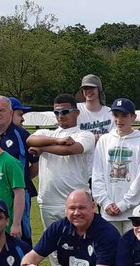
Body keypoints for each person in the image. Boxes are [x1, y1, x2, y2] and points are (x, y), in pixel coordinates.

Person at [27, 94, 95, 230]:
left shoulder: (85, 135)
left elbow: (70, 150)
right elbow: (30, 140)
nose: (60, 116)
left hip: (76, 202)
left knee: (77, 244)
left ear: (76, 113)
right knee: (53, 247)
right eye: (56, 112)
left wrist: (42, 148)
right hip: (48, 201)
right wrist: (57, 141)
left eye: (65, 112)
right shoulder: (48, 133)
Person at [91, 97, 140, 234]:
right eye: (116, 115)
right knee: (111, 251)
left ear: (133, 117)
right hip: (108, 212)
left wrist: (124, 204)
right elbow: (97, 174)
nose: (119, 120)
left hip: (133, 211)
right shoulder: (104, 140)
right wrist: (105, 202)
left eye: (124, 115)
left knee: (131, 252)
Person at [0, 95, 37, 241]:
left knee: (19, 234)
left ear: (9, 112)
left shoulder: (22, 135)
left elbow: (36, 164)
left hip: (17, 195)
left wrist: (18, 180)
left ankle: (25, 263)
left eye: (1, 110)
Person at [77, 74, 112, 138]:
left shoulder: (110, 113)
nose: (88, 91)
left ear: (99, 89)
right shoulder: (76, 110)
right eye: (85, 88)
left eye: (91, 87)